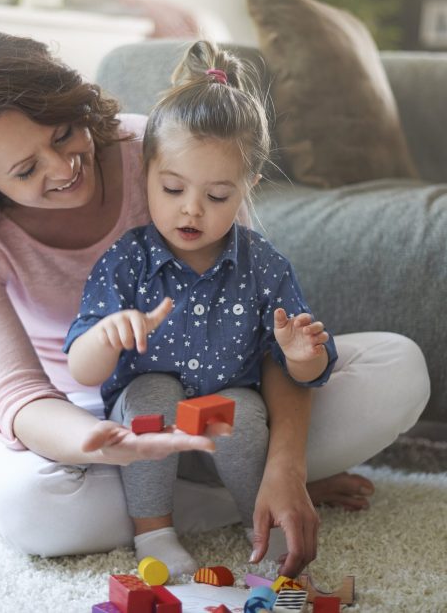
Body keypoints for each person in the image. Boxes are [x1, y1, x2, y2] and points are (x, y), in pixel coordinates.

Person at [0, 30, 430, 578]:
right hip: (91, 415)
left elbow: (259, 325)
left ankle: (255, 487)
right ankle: (206, 504)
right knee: (29, 508)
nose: (62, 169)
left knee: (399, 368)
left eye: (62, 134)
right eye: (26, 171)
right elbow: (22, 399)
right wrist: (103, 444)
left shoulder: (167, 154)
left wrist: (285, 465)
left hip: (230, 399)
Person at [64, 40, 341, 576]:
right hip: (149, 430)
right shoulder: (127, 260)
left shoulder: (263, 264)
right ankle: (155, 532)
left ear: (247, 188)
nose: (191, 209)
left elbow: (306, 373)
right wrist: (109, 334)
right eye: (172, 188)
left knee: (242, 407)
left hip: (227, 424)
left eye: (217, 197)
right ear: (146, 174)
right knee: (152, 393)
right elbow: (80, 365)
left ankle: (255, 522)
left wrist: (301, 354)